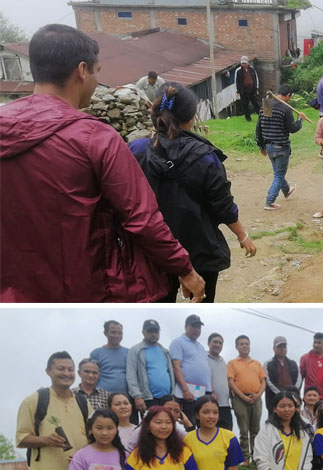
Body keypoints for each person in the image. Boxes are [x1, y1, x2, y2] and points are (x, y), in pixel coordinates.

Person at [0, 24, 205, 303]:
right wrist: (184, 267)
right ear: (82, 71)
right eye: (98, 71)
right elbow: (141, 219)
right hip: (87, 289)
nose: (97, 80)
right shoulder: (94, 138)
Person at [130, 83, 258, 302]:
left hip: (156, 249)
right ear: (190, 118)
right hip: (199, 248)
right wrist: (242, 235)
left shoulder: (136, 150)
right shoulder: (205, 157)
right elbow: (222, 205)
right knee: (201, 308)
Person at [255, 391, 314, 470]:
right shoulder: (266, 431)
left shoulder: (302, 432)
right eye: (282, 406)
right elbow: (261, 460)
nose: (286, 409)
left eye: (290, 406)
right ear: (275, 409)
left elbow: (307, 461)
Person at [257, 84, 305, 211]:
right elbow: (292, 128)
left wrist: (261, 145)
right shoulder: (285, 109)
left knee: (278, 173)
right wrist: (300, 120)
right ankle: (269, 201)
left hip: (269, 146)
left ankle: (287, 190)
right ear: (288, 95)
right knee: (278, 175)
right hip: (281, 148)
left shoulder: (266, 105)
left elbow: (259, 127)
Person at [168, 314, 212, 426]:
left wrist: (211, 390)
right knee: (190, 425)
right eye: (193, 326)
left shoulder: (201, 347)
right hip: (188, 393)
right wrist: (186, 391)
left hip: (203, 392)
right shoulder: (178, 342)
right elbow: (176, 367)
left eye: (198, 327)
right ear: (186, 327)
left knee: (204, 425)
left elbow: (205, 369)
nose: (196, 330)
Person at [228, 335, 267, 458]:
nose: (244, 346)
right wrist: (243, 397)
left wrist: (258, 395)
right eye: (241, 344)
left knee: (255, 430)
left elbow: (263, 381)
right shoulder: (232, 363)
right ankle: (245, 457)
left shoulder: (256, 363)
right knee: (244, 430)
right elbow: (231, 382)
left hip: (256, 398)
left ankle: (256, 457)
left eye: (246, 344)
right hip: (240, 399)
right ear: (237, 346)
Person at [126, 319, 175, 418]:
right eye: (150, 331)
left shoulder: (165, 351)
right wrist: (137, 396)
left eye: (156, 331)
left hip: (167, 399)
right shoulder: (136, 350)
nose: (153, 334)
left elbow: (170, 374)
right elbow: (131, 375)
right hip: (148, 399)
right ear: (143, 332)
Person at [90, 321, 129, 402]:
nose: (117, 335)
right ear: (105, 333)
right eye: (113, 332)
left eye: (119, 333)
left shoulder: (129, 353)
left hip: (126, 398)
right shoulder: (96, 353)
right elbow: (92, 375)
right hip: (104, 398)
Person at [266, 336, 303, 414]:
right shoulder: (268, 364)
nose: (282, 349)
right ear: (274, 348)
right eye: (279, 347)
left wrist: (292, 393)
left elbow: (299, 379)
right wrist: (281, 394)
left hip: (293, 399)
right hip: (274, 400)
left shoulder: (293, 363)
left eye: (284, 347)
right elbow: (268, 382)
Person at [206, 333, 235, 430]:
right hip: (209, 404)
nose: (217, 345)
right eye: (215, 342)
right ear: (208, 343)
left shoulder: (223, 362)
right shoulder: (203, 358)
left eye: (220, 343)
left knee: (227, 435)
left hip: (225, 405)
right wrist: (211, 391)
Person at [300, 332, 323, 398]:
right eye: (315, 342)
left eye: (319, 342)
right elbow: (301, 377)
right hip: (310, 396)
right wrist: (297, 394)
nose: (316, 345)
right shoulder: (305, 358)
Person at [234, 57, 261, 122]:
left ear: (247, 63)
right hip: (243, 91)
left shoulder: (252, 69)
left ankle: (260, 116)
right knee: (245, 105)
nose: (243, 64)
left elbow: (256, 78)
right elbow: (236, 81)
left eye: (244, 63)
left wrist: (256, 88)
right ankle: (248, 118)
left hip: (252, 91)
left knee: (256, 104)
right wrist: (237, 91)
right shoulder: (238, 71)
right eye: (242, 63)